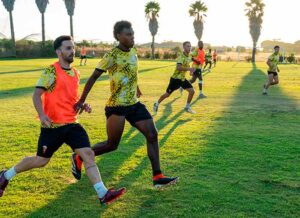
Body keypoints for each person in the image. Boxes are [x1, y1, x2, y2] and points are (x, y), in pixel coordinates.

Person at [0, 36, 126, 205]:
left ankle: (103, 193)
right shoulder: (51, 71)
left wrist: (82, 104)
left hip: (73, 124)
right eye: (67, 48)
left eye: (73, 48)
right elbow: (37, 95)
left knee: (88, 155)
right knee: (41, 161)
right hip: (53, 126)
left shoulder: (75, 73)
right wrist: (42, 115)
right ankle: (6, 175)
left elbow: (72, 98)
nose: (72, 51)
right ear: (58, 52)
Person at [71, 21, 178, 188]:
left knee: (152, 134)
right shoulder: (111, 56)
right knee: (112, 145)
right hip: (117, 106)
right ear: (118, 37)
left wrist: (137, 88)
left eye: (132, 33)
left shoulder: (134, 51)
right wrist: (82, 100)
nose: (132, 36)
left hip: (134, 104)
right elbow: (93, 77)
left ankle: (158, 176)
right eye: (128, 34)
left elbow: (130, 73)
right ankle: (79, 156)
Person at [153, 41, 196, 114]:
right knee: (167, 94)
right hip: (175, 79)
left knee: (192, 91)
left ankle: (187, 107)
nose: (189, 47)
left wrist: (191, 71)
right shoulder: (181, 56)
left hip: (182, 79)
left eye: (190, 46)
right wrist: (189, 69)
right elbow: (178, 67)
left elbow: (189, 64)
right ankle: (156, 103)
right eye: (187, 46)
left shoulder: (189, 56)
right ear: (184, 47)